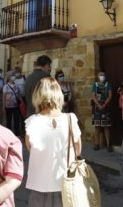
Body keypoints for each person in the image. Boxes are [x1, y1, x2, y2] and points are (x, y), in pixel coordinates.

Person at [25, 77, 81, 206]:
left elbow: (30, 148)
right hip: (67, 183)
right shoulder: (71, 119)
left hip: (40, 185)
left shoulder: (32, 122)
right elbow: (77, 150)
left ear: (38, 95)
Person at [92, 71, 113, 151]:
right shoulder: (95, 85)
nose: (102, 76)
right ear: (97, 76)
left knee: (106, 126)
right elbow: (93, 96)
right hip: (97, 107)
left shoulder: (108, 85)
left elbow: (110, 95)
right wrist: (98, 104)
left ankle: (108, 145)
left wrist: (104, 105)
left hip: (105, 107)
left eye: (103, 75)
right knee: (97, 126)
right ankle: (97, 144)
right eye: (100, 75)